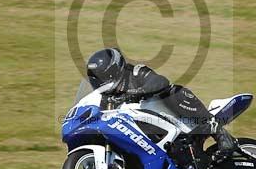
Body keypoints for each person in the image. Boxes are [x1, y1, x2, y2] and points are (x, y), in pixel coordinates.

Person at [85, 47, 238, 161]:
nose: (102, 82)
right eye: (98, 79)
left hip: (172, 120)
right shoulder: (106, 99)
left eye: (104, 77)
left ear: (115, 70)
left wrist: (138, 91)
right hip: (146, 138)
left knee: (172, 91)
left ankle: (218, 131)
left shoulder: (136, 72)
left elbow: (160, 81)